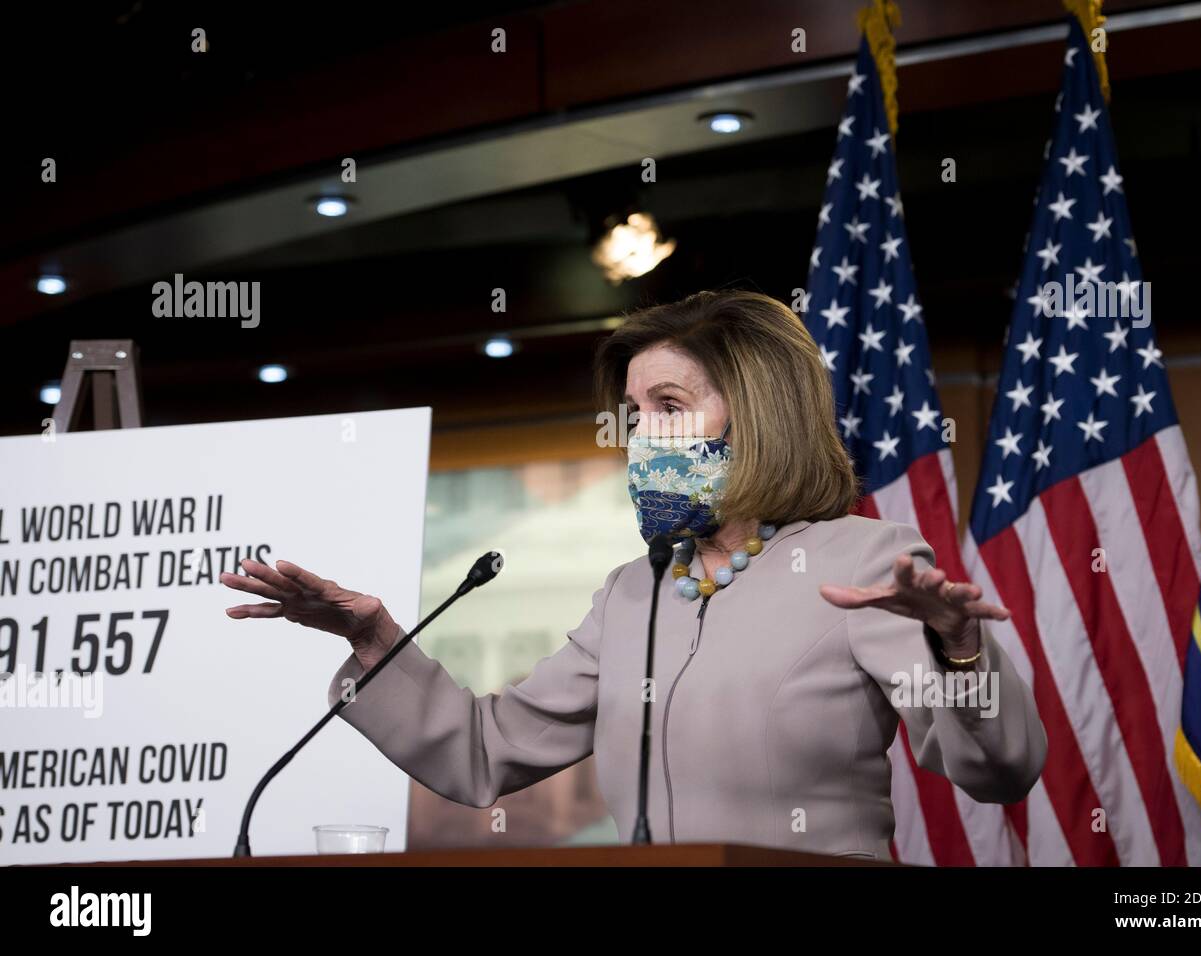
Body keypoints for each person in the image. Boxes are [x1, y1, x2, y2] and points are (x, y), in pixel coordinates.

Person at [220, 289, 1046, 861]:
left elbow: (999, 768)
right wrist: (375, 642)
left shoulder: (861, 561)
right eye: (635, 411)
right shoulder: (631, 593)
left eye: (670, 406)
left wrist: (961, 650)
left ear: (757, 418)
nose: (641, 433)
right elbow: (483, 753)